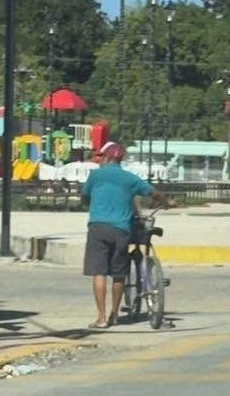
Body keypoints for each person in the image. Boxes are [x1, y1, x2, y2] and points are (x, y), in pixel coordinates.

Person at [81, 141, 164, 329]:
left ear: (108, 157)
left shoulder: (95, 175)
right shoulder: (130, 178)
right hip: (121, 230)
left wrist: (92, 203)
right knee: (119, 274)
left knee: (99, 273)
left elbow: (84, 197)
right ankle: (115, 315)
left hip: (98, 227)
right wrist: (169, 201)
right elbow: (153, 193)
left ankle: (101, 318)